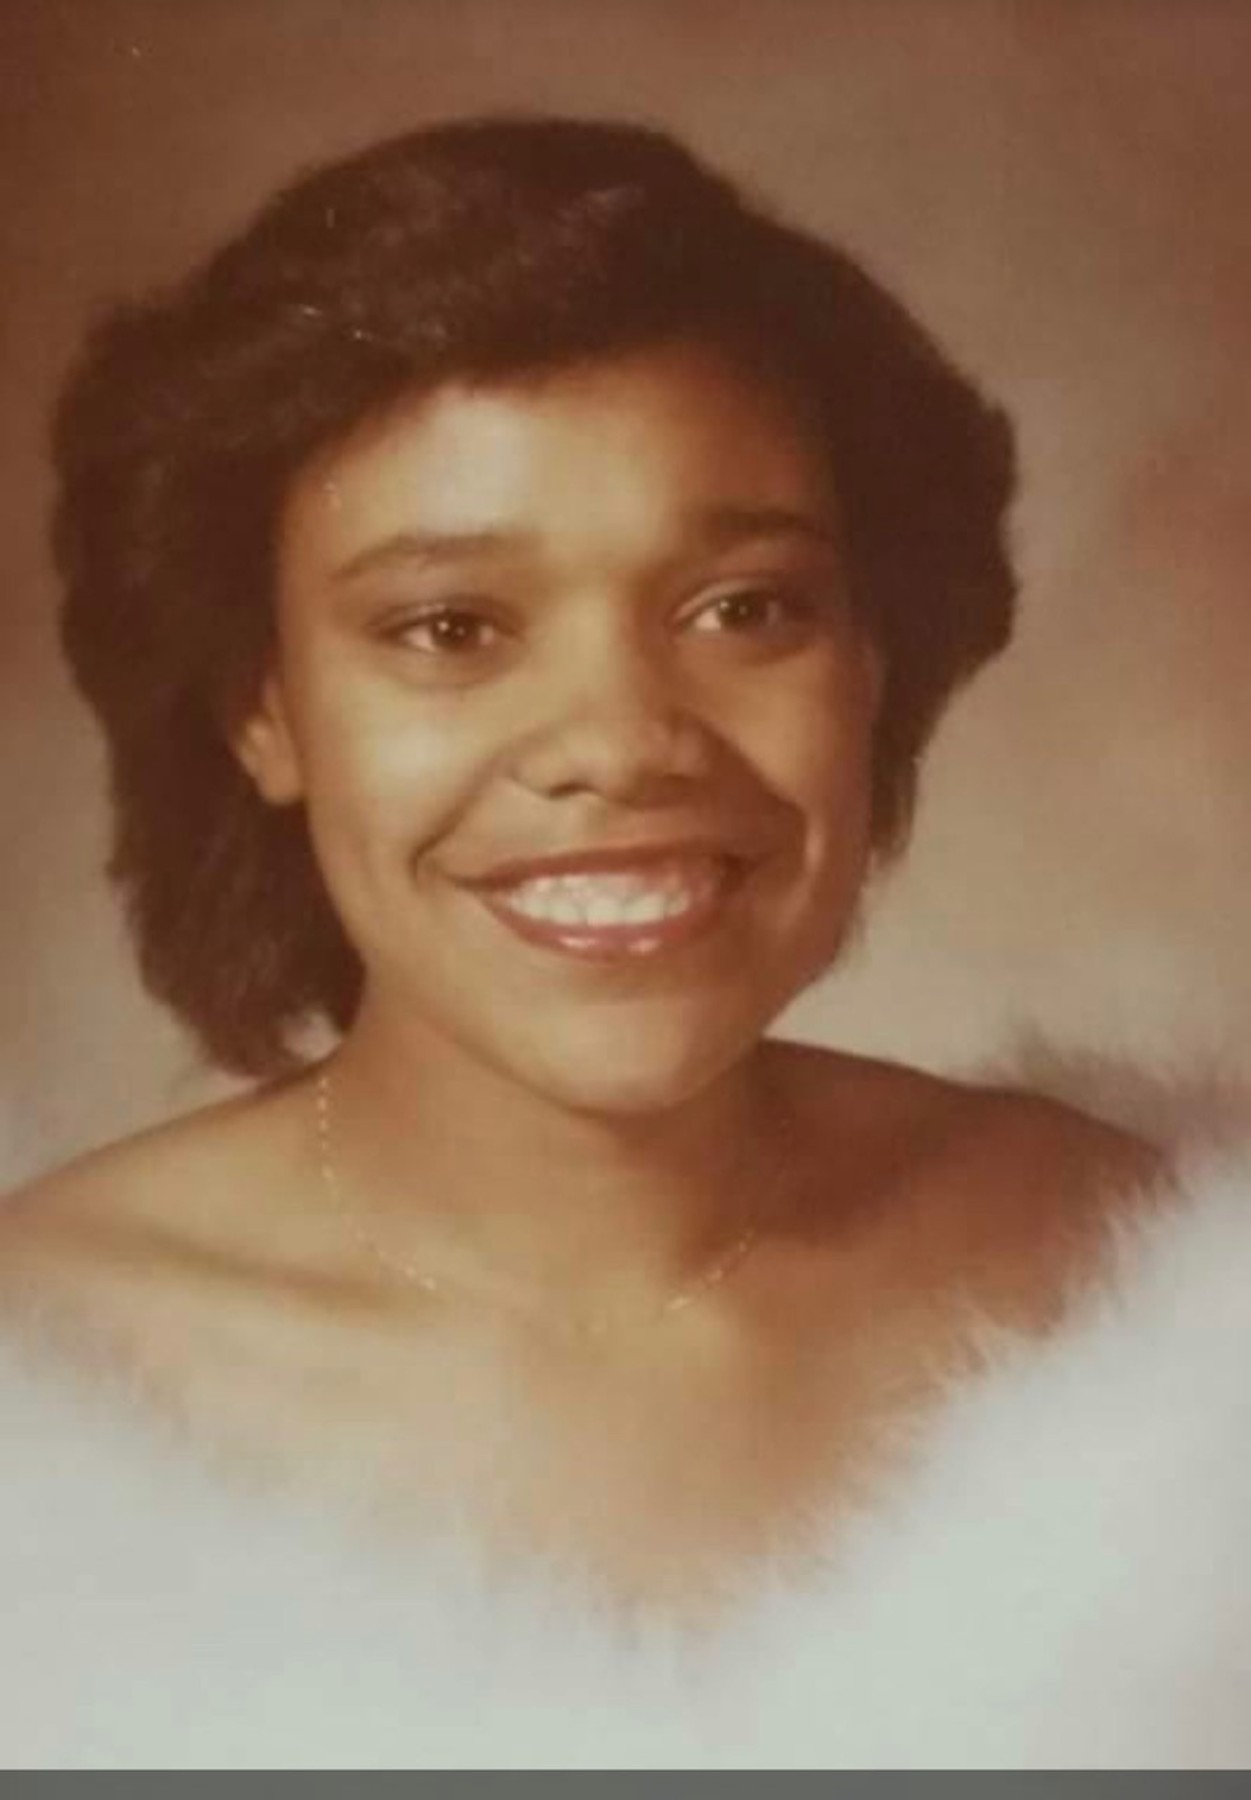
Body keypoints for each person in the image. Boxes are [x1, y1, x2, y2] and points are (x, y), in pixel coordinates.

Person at [1, 115, 1247, 1769]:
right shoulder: (41, 1375)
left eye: (745, 608)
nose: (623, 742)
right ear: (264, 709)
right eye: (450, 626)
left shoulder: (1165, 1297)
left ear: (871, 665)